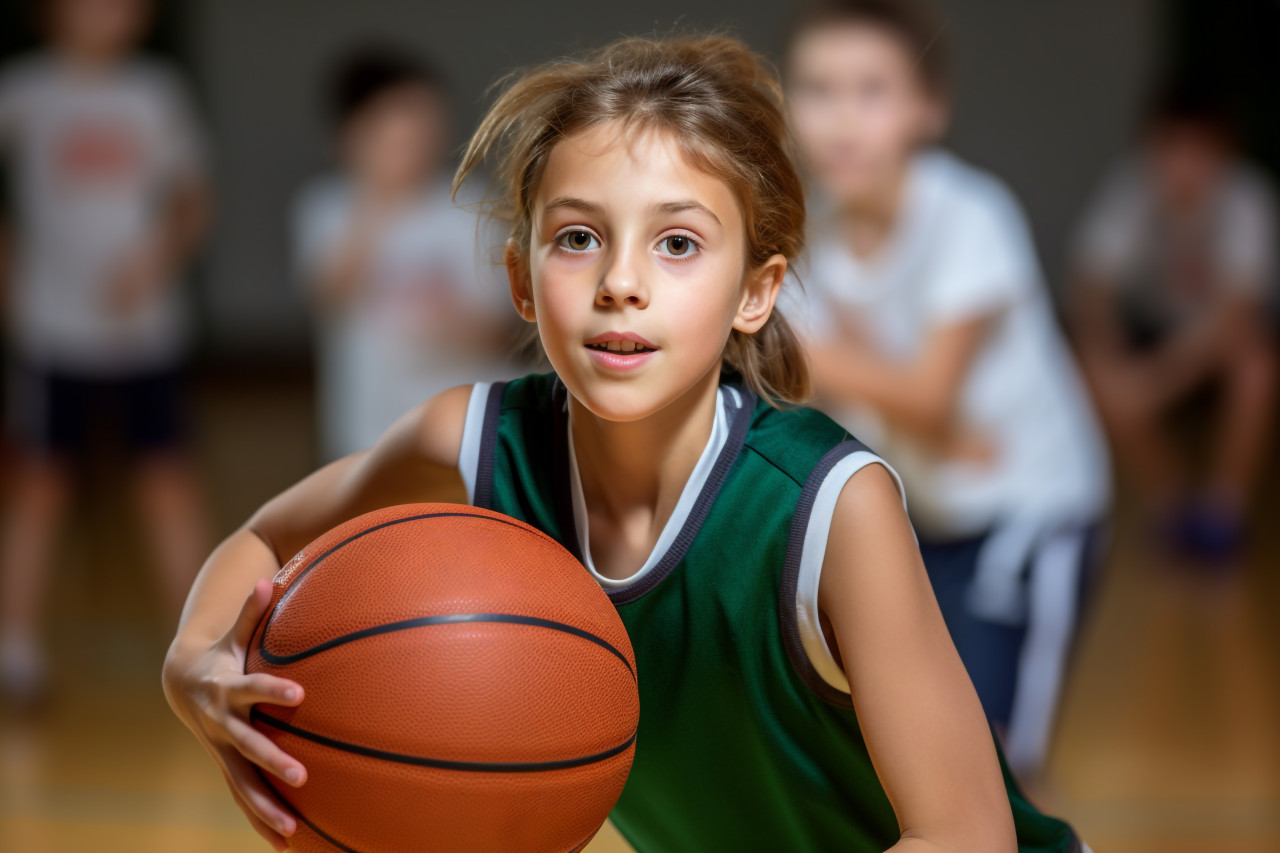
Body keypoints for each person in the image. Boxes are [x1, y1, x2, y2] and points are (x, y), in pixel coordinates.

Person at [162, 35, 1089, 853]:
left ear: (755, 292)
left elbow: (967, 837)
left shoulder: (830, 506)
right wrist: (192, 661)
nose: (621, 282)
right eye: (577, 237)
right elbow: (266, 541)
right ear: (522, 281)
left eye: (678, 243)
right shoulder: (473, 442)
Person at [784, 0, 1110, 778]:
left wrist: (824, 359)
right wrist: (902, 405)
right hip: (927, 514)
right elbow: (846, 398)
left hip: (1029, 514)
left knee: (995, 763)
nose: (843, 119)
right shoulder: (814, 236)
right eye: (819, 90)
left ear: (928, 108)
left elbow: (925, 394)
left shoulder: (969, 216)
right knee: (913, 752)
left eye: (872, 91)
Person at [0, 0, 210, 707]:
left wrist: (154, 263)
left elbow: (190, 199)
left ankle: (200, 641)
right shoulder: (24, 89)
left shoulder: (156, 92)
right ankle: (16, 648)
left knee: (165, 479)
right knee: (42, 482)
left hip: (146, 332)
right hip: (53, 331)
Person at [1069, 83, 1277, 562]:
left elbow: (1236, 312)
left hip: (1214, 341)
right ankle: (1174, 507)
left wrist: (1154, 382)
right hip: (1153, 330)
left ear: (1225, 153)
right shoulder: (1132, 186)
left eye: (1199, 151)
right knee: (1091, 371)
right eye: (1173, 149)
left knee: (1258, 364)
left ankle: (1225, 512)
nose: (1184, 166)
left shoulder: (1248, 198)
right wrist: (1110, 354)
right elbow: (1090, 286)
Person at [293, 47, 522, 462]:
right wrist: (375, 203)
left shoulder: (470, 207)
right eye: (391, 128)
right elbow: (328, 294)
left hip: (464, 426)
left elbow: (497, 329)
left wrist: (447, 326)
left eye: (425, 124)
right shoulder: (328, 207)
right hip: (369, 427)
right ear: (351, 135)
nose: (411, 142)